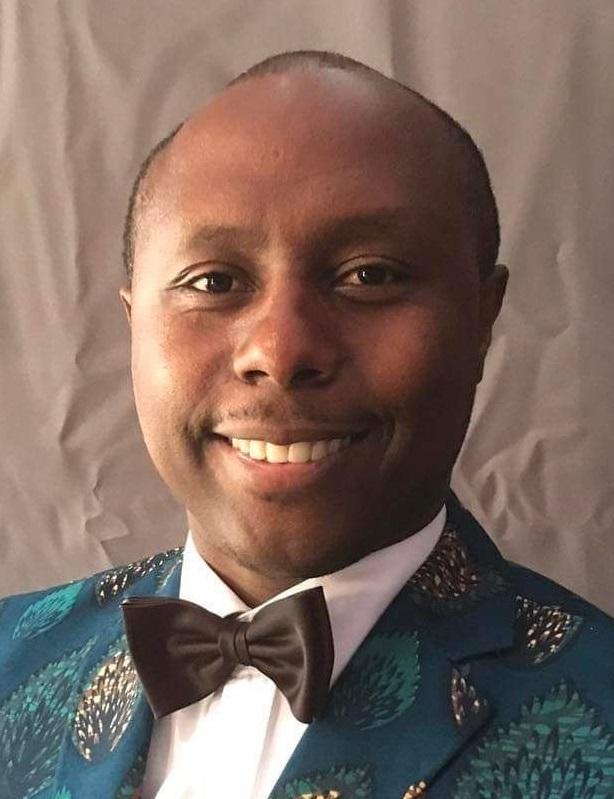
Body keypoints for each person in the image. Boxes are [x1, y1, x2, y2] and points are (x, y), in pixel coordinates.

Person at [0, 50, 612, 799]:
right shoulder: (9, 660)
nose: (281, 351)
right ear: (136, 326)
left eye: (370, 276)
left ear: (481, 320)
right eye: (214, 282)